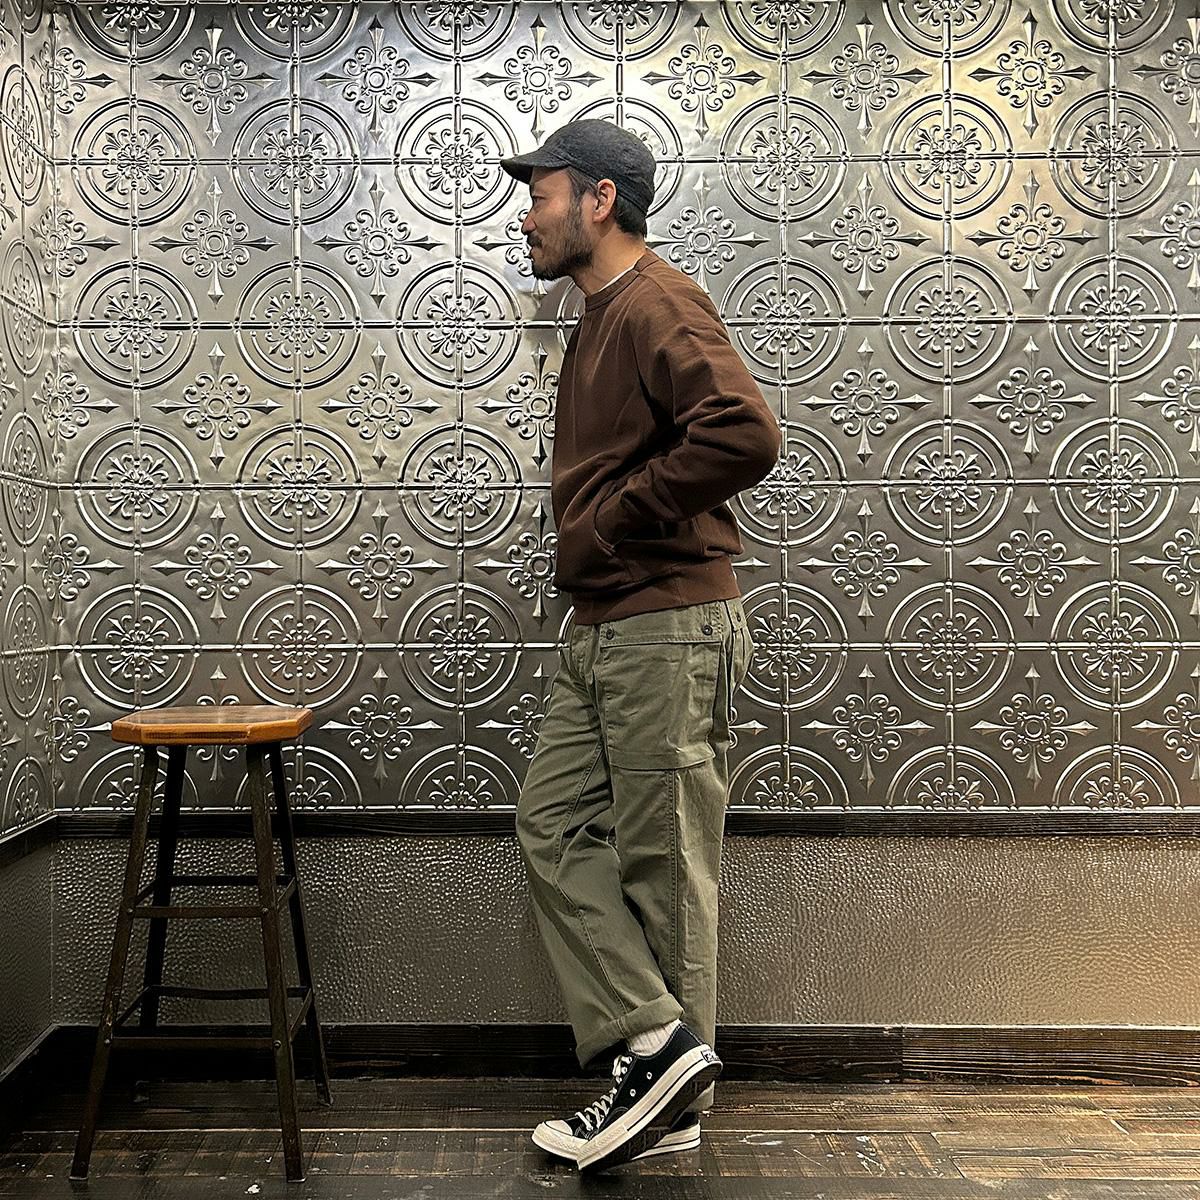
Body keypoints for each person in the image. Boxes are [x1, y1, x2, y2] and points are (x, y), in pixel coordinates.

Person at [500, 119, 781, 1173]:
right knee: (551, 825)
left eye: (541, 194)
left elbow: (745, 432)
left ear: (599, 200)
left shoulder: (659, 299)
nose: (527, 216)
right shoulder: (600, 314)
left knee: (665, 866)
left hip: (666, 622)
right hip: (608, 623)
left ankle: (667, 1104)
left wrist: (619, 518)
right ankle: (662, 1048)